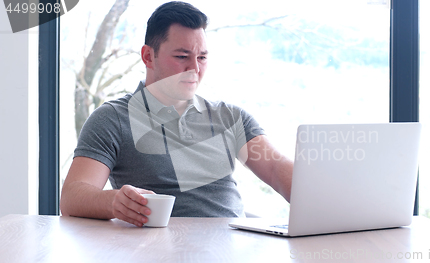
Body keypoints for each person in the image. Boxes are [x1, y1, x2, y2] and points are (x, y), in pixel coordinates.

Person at [60, 1, 293, 227]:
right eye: (182, 57)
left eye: (202, 57)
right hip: (159, 251)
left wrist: (320, 197)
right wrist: (114, 202)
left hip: (232, 247)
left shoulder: (230, 117)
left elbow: (275, 168)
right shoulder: (112, 119)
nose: (194, 69)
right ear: (148, 56)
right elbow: (72, 197)